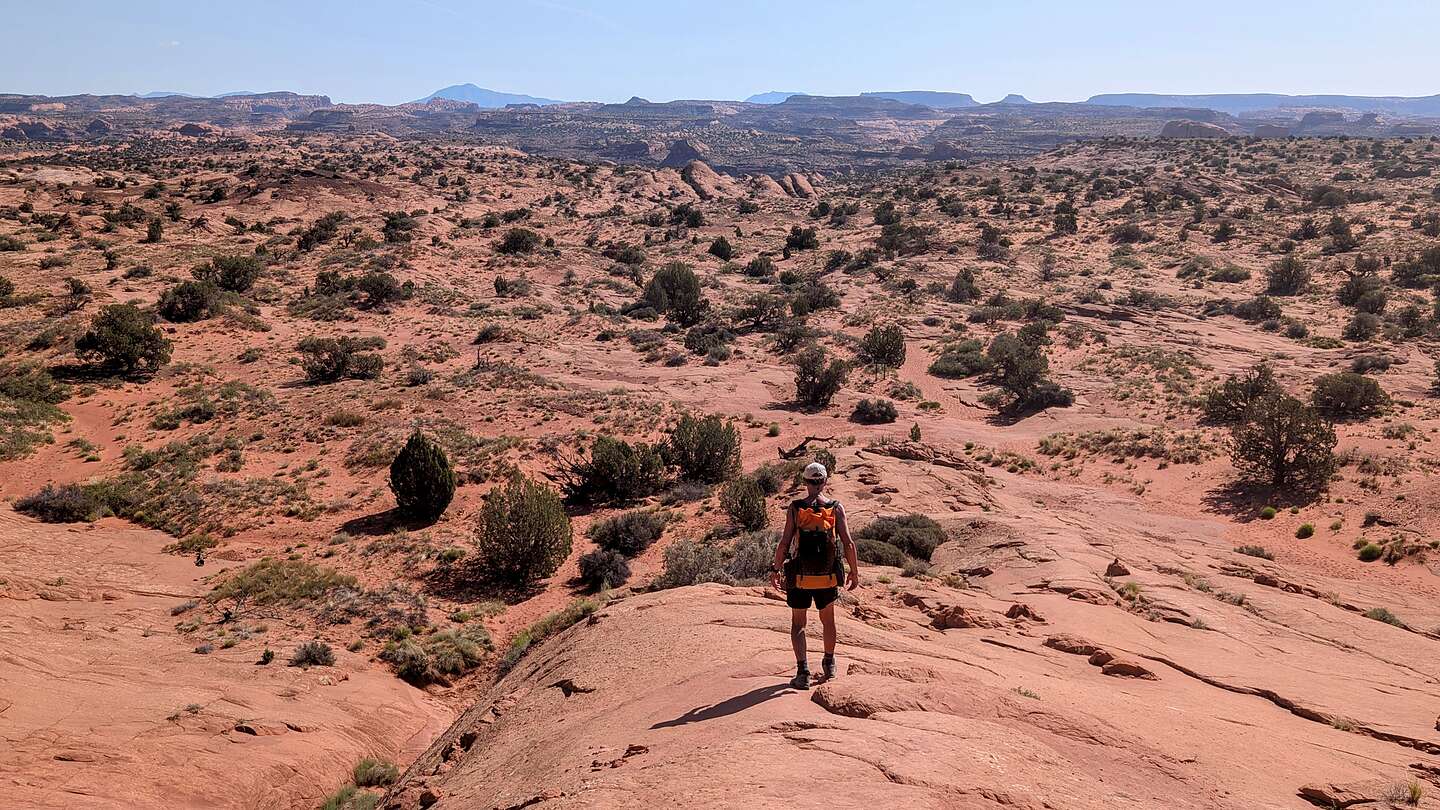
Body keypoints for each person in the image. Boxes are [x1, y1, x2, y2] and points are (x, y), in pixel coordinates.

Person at [770, 462, 858, 689]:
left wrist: (776, 569)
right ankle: (829, 663)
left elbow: (784, 542)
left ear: (806, 482)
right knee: (828, 620)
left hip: (800, 575)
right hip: (827, 575)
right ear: (825, 481)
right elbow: (848, 543)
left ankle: (803, 673)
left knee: (799, 623)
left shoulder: (796, 507)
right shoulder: (836, 508)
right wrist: (854, 573)